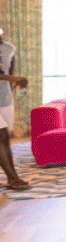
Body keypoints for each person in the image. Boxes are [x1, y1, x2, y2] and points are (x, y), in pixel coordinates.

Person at [0, 27, 31, 190]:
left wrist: (13, 84)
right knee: (2, 135)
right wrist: (14, 78)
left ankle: (12, 178)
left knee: (5, 137)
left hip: (4, 99)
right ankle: (13, 179)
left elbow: (10, 67)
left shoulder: (9, 47)